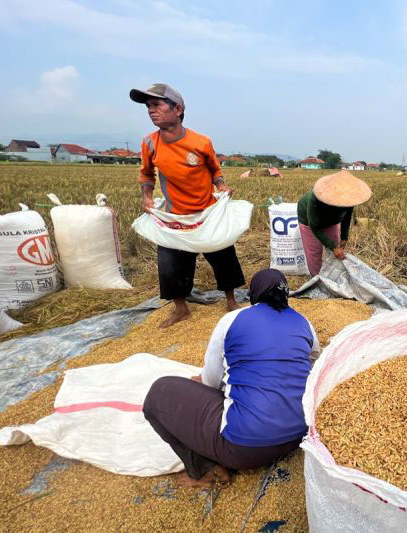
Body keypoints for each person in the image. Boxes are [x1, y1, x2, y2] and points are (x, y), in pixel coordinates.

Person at [143, 268, 321, 487]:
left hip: (244, 450)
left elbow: (210, 381)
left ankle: (202, 470)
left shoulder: (232, 320)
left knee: (157, 393)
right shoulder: (305, 324)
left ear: (253, 295)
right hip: (298, 438)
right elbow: (313, 367)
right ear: (286, 295)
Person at [130, 83, 244, 328]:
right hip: (176, 217)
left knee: (223, 255)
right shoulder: (150, 143)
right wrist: (147, 196)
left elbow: (215, 170)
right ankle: (181, 309)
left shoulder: (201, 142)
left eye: (157, 105)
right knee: (170, 263)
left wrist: (221, 185)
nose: (151, 111)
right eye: (148, 107)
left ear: (177, 109)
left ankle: (231, 301)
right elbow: (146, 174)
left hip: (206, 213)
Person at [297, 170, 372, 276]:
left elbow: (347, 216)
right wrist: (333, 247)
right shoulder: (315, 200)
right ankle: (317, 280)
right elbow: (315, 227)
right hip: (310, 221)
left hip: (331, 221)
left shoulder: (349, 198)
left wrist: (344, 237)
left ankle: (333, 276)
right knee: (314, 252)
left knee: (336, 250)